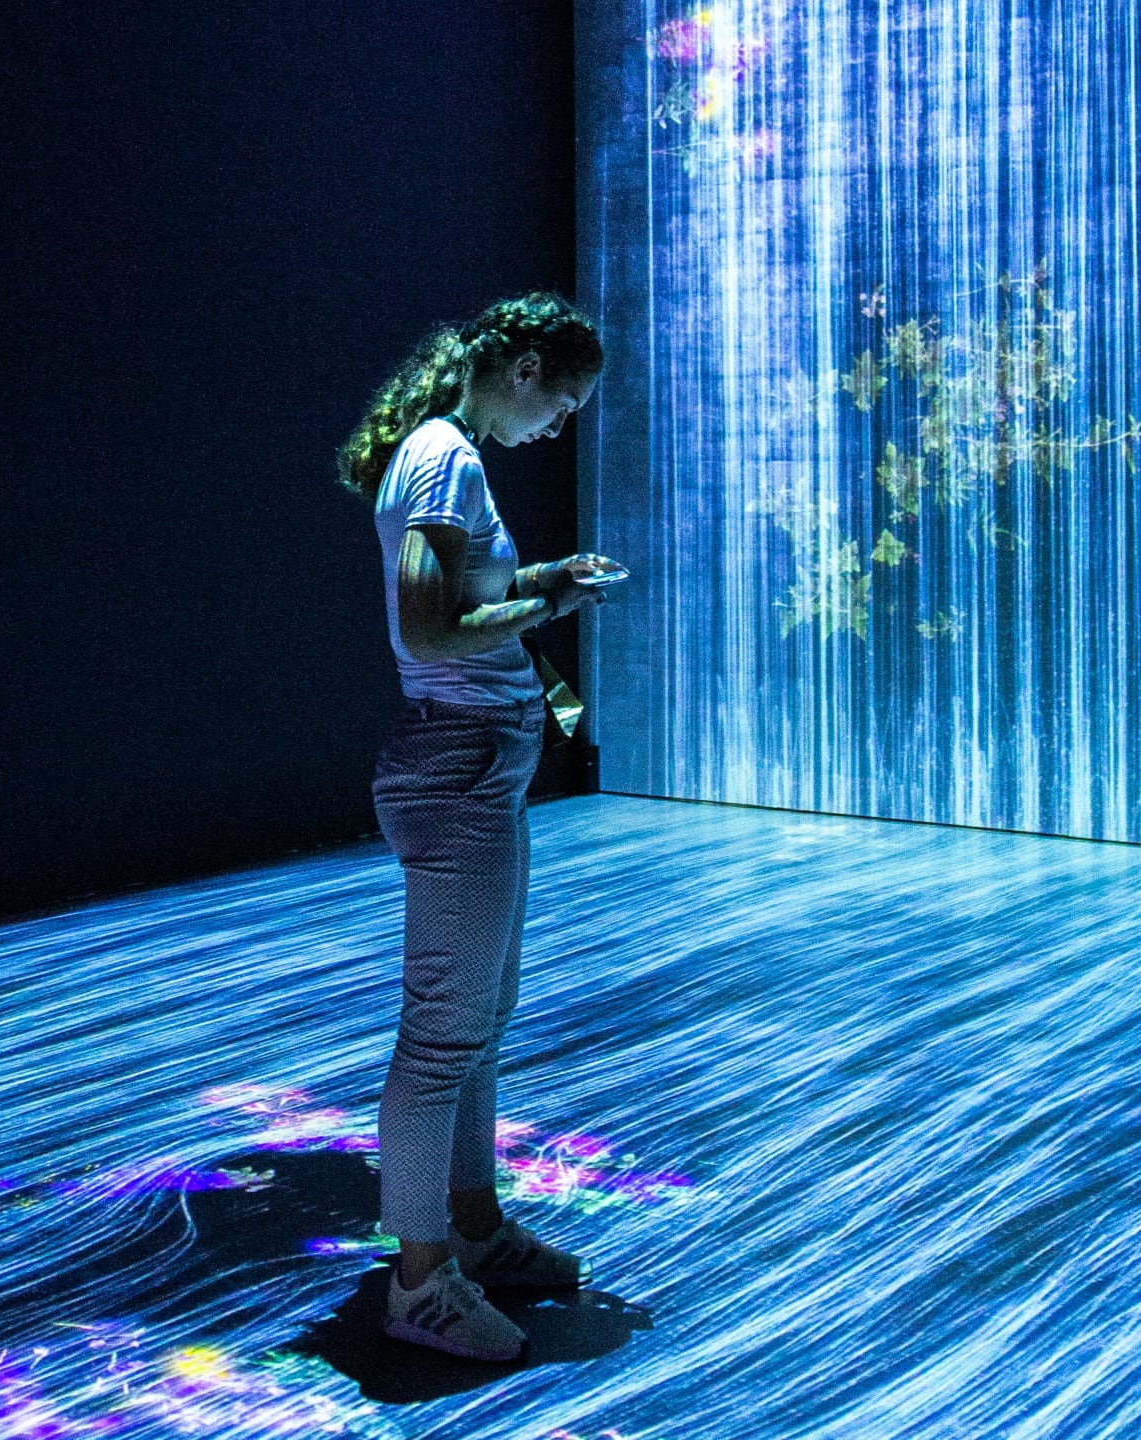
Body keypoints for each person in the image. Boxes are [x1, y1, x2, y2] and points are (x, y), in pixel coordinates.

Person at [336, 292, 620, 1362]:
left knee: (478, 1023)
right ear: (526, 370)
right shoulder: (444, 456)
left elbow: (461, 600)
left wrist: (543, 578)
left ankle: (472, 1227)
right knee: (442, 1036)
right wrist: (544, 606)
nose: (558, 427)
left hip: (478, 770)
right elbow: (428, 628)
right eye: (564, 404)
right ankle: (420, 1284)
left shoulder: (450, 455)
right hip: (456, 770)